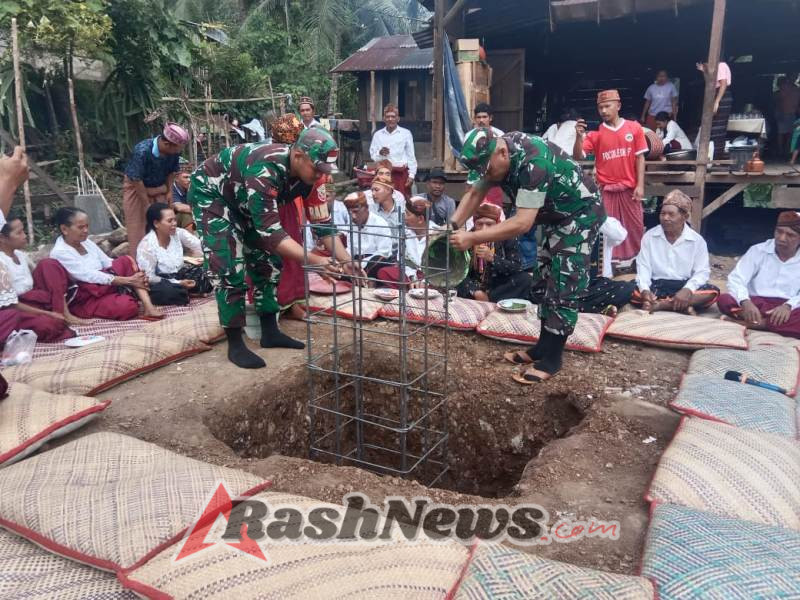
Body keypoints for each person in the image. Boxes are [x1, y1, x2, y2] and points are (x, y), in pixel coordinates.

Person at [189, 127, 353, 369]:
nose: (321, 174)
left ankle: (269, 331)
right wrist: (316, 261)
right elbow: (273, 234)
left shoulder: (314, 178)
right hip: (213, 196)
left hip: (244, 200)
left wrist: (347, 261)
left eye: (324, 170)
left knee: (268, 261)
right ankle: (235, 343)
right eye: (317, 168)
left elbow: (323, 224)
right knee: (228, 265)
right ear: (298, 155)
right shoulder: (265, 169)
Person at [452, 128, 605, 384]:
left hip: (580, 213)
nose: (486, 176)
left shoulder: (535, 162)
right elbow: (476, 192)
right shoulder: (494, 157)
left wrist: (472, 238)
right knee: (544, 277)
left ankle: (553, 359)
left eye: (487, 170)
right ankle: (542, 347)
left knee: (564, 281)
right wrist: (453, 227)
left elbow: (522, 223)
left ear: (502, 153)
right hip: (555, 216)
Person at [50, 207, 163, 321]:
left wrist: (132, 276)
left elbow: (107, 262)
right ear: (64, 229)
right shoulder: (60, 252)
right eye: (81, 227)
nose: (86, 230)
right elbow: (88, 275)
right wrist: (127, 280)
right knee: (128, 307)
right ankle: (127, 294)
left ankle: (148, 306)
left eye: (87, 226)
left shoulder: (87, 242)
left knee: (125, 261)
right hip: (88, 296)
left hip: (106, 284)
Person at [574, 90, 647, 264]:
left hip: (629, 189)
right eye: (600, 107)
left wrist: (640, 185)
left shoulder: (634, 128)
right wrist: (578, 137)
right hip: (606, 190)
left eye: (607, 106)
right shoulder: (596, 134)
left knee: (635, 227)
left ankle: (634, 263)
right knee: (607, 231)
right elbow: (578, 156)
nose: (604, 111)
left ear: (618, 106)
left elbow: (640, 158)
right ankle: (609, 266)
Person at [631, 191, 719, 313]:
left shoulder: (697, 241)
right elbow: (643, 267)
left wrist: (687, 289)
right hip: (656, 285)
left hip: (683, 286)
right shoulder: (649, 236)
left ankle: (662, 305)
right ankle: (680, 306)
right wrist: (645, 291)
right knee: (629, 290)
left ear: (685, 217)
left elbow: (702, 272)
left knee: (712, 292)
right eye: (663, 214)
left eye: (671, 214)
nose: (665, 218)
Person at [0, 217, 83, 345]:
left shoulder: (21, 255)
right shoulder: (1, 262)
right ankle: (56, 317)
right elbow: (11, 305)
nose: (24, 236)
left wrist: (54, 310)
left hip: (35, 302)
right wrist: (48, 313)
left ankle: (63, 313)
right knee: (48, 325)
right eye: (19, 233)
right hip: (19, 309)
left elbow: (40, 278)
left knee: (48, 264)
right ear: (2, 238)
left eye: (24, 231)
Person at [718, 211, 800, 338]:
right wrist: (745, 302)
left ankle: (754, 323)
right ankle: (771, 323)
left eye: (790, 235)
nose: (782, 238)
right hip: (756, 304)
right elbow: (736, 279)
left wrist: (788, 306)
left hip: (788, 308)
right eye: (779, 232)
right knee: (725, 299)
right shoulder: (758, 250)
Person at [123, 123, 189, 257]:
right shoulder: (142, 151)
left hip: (160, 189)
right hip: (137, 190)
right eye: (177, 148)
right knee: (138, 229)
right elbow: (136, 179)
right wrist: (146, 204)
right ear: (166, 144)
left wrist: (169, 191)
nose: (178, 152)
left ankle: (167, 260)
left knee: (164, 226)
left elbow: (172, 172)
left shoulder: (174, 151)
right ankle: (140, 264)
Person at [456, 202, 532, 303]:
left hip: (499, 286)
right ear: (474, 225)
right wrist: (476, 292)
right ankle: (483, 298)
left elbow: (516, 267)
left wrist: (493, 258)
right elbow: (459, 271)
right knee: (455, 277)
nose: (484, 229)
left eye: (489, 224)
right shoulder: (468, 239)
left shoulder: (507, 237)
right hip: (474, 285)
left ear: (497, 226)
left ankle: (490, 299)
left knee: (525, 279)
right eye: (480, 224)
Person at [137, 203, 209, 306]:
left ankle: (186, 292)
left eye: (175, 220)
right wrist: (178, 283)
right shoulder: (146, 246)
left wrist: (210, 259)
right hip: (162, 281)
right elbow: (150, 278)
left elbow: (200, 246)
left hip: (180, 274)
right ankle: (186, 292)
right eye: (170, 221)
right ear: (156, 223)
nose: (174, 223)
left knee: (207, 273)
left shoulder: (178, 233)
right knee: (168, 292)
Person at [340, 191, 393, 279]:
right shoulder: (352, 224)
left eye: (356, 212)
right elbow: (351, 249)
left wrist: (361, 264)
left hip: (375, 261)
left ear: (366, 208)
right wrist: (345, 261)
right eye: (350, 213)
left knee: (378, 261)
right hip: (356, 260)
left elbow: (384, 252)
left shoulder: (379, 223)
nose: (353, 216)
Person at [369, 104, 417, 198]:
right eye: (387, 117)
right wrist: (380, 153)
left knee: (401, 200)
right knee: (383, 199)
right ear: (384, 119)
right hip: (383, 175)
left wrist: (411, 175)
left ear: (398, 119)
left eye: (393, 116)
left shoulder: (406, 134)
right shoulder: (378, 135)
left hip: (400, 174)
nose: (390, 119)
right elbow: (373, 155)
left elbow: (411, 156)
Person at [697, 59, 732, 159]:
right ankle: (713, 156)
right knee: (713, 127)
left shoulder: (720, 65)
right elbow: (709, 83)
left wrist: (717, 101)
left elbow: (723, 84)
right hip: (716, 95)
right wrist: (704, 71)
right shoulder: (713, 69)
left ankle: (717, 156)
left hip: (722, 97)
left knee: (718, 129)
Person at [368, 174, 405, 256]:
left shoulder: (402, 209)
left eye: (376, 190)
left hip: (399, 253)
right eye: (372, 190)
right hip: (376, 253)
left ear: (388, 190)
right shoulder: (370, 210)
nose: (373, 194)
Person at [775, 76, 800, 158]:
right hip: (783, 113)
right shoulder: (784, 87)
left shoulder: (796, 89)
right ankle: (780, 151)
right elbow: (779, 100)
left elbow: (797, 102)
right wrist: (778, 112)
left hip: (792, 113)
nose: (795, 78)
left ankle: (786, 150)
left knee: (791, 133)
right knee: (781, 133)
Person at [170, 164, 196, 231]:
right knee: (186, 216)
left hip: (189, 216)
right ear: (176, 179)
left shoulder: (191, 187)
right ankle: (190, 237)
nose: (189, 180)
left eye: (190, 177)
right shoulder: (172, 188)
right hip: (171, 220)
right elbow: (179, 207)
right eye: (185, 177)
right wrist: (200, 210)